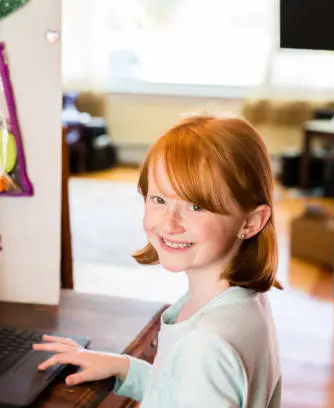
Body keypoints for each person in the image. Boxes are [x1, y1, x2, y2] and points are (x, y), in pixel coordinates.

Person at [34, 114, 282, 407]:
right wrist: (124, 368)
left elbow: (199, 373)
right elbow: (182, 389)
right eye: (159, 200)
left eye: (196, 206)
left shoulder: (205, 347)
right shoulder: (238, 301)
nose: (169, 224)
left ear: (251, 222)